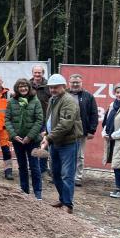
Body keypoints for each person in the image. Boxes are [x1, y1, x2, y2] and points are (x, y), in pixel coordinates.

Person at [38, 74, 83, 214]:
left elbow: (65, 124)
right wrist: (47, 133)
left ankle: (68, 204)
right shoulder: (53, 99)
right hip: (55, 142)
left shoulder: (68, 101)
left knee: (67, 174)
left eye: (56, 87)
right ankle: (62, 199)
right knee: (55, 173)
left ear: (64, 86)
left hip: (67, 143)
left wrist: (49, 137)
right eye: (51, 87)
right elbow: (52, 120)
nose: (52, 90)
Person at [5, 78, 44, 199]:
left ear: (29, 87)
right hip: (18, 141)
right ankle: (24, 191)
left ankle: (37, 193)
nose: (23, 88)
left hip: (32, 140)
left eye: (25, 86)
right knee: (22, 166)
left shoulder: (35, 101)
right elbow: (7, 120)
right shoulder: (11, 102)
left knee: (34, 166)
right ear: (17, 88)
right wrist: (13, 135)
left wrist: (30, 136)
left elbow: (39, 120)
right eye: (20, 86)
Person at [68, 74, 99, 187]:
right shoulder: (63, 94)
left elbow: (94, 114)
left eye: (77, 82)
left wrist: (92, 130)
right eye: (73, 82)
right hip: (64, 130)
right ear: (69, 83)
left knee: (79, 155)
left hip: (81, 131)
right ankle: (65, 175)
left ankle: (77, 177)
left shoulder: (88, 96)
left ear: (81, 83)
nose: (75, 84)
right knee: (65, 154)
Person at [30, 64, 50, 176]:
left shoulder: (48, 86)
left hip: (44, 120)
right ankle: (33, 167)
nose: (37, 75)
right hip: (31, 120)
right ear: (32, 73)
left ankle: (42, 168)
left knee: (44, 143)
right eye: (35, 72)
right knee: (32, 143)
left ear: (43, 73)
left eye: (39, 73)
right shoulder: (27, 85)